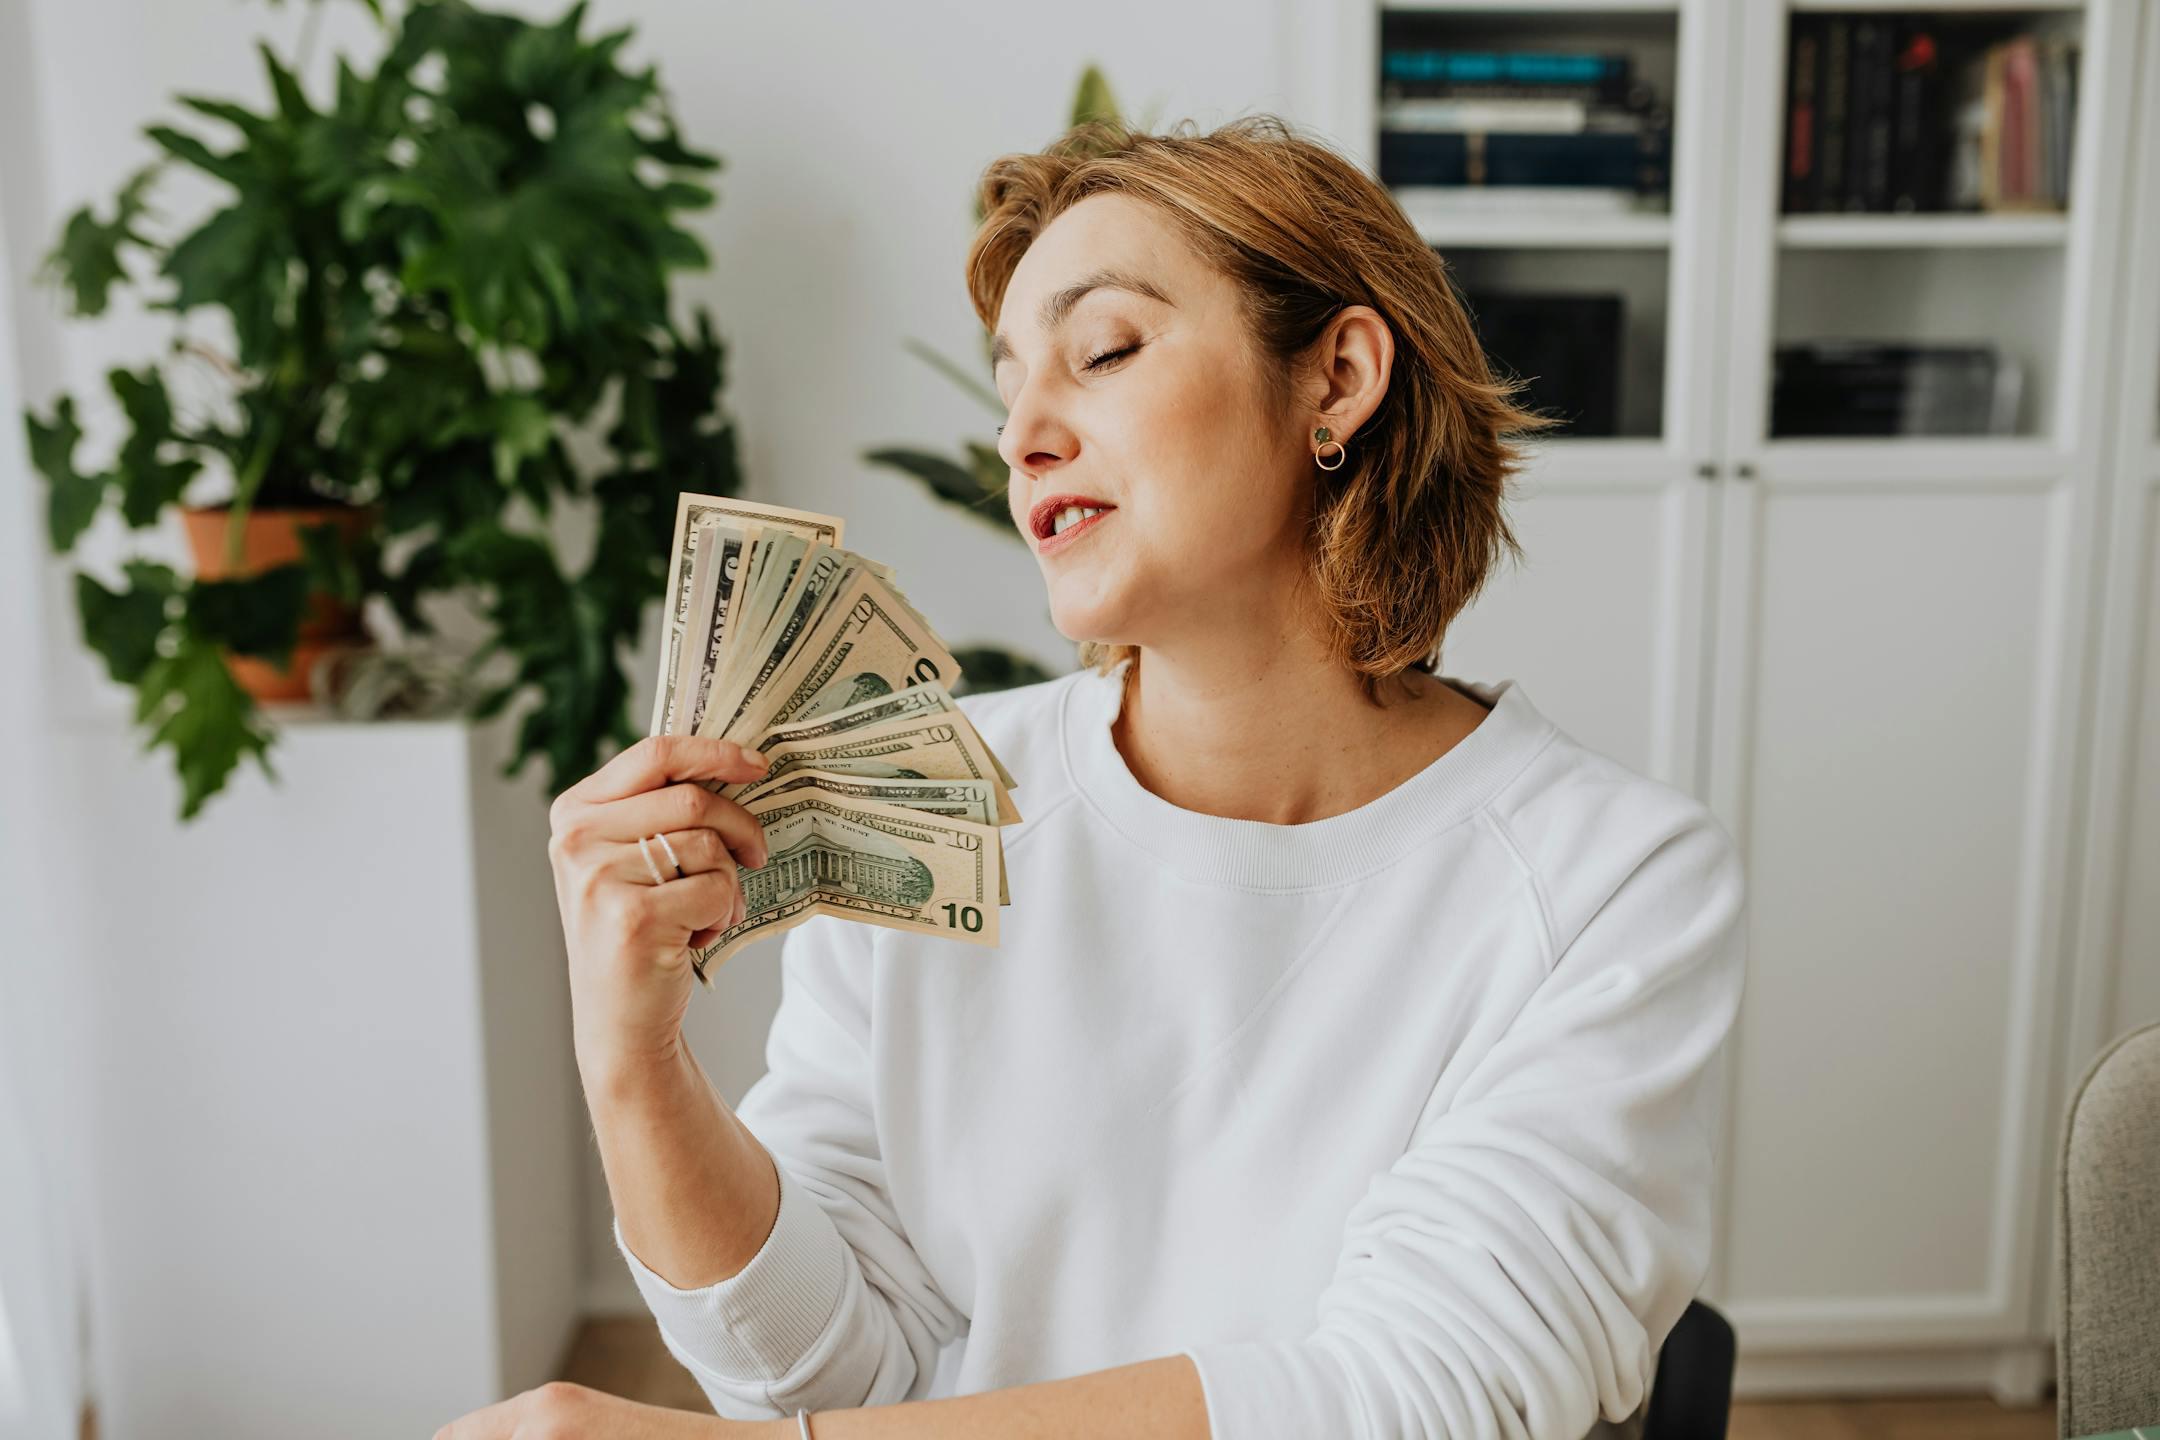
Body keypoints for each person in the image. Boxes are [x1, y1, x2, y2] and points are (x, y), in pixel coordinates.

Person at [435, 114, 1748, 1440]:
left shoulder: (1613, 879)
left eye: (1104, 349)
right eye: (1008, 388)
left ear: (1336, 378)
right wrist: (632, 1058)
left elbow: (1417, 1400)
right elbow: (823, 1382)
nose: (1023, 436)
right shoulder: (932, 791)